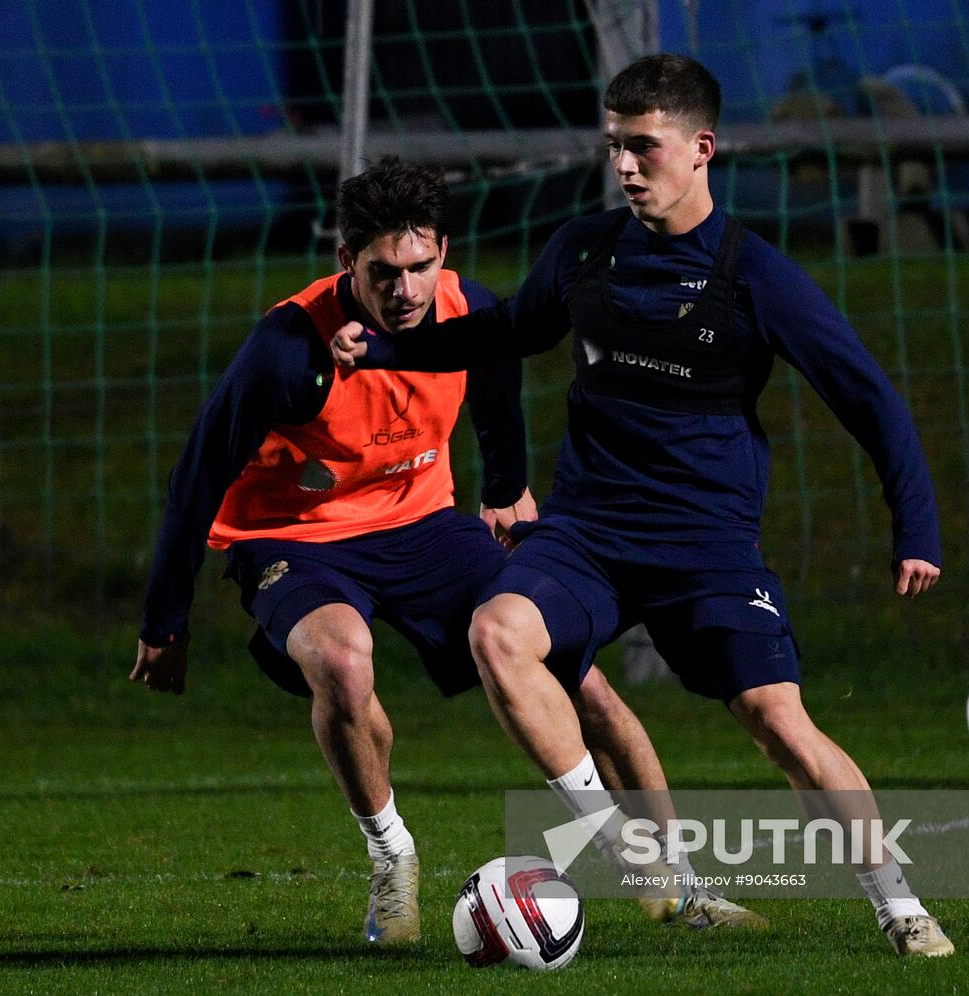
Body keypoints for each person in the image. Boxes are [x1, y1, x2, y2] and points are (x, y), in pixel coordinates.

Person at [332, 56, 954, 958]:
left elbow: (868, 397)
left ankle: (899, 903)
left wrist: (917, 527)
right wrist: (387, 353)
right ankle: (634, 851)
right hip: (587, 535)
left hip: (708, 546)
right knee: (497, 631)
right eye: (615, 145)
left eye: (644, 147)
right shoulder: (585, 249)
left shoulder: (755, 273)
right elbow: (507, 333)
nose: (625, 165)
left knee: (780, 723)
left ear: (701, 149)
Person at [130, 156, 721, 946]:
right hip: (296, 538)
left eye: (419, 266)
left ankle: (673, 885)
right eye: (383, 272)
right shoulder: (287, 348)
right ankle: (392, 859)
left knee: (584, 685)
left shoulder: (468, 309)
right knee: (342, 662)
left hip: (424, 524)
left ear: (443, 249)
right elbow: (194, 480)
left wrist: (507, 490)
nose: (404, 290)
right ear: (348, 262)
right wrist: (164, 622)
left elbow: (498, 395)